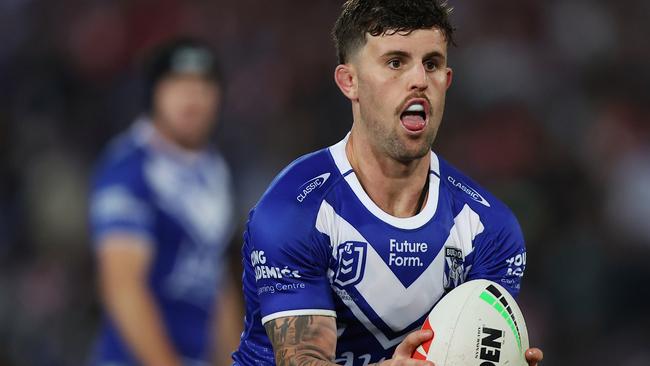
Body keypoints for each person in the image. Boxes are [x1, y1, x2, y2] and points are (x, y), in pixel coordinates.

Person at [232, 1, 544, 365]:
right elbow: (304, 358)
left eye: (431, 64)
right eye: (395, 63)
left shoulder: (490, 229)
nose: (418, 80)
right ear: (350, 82)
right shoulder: (294, 209)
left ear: (446, 79)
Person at [89, 38, 241, 366]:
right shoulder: (129, 166)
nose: (192, 98)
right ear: (153, 93)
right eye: (178, 85)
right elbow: (122, 286)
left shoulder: (214, 170)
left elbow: (215, 285)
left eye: (203, 87)